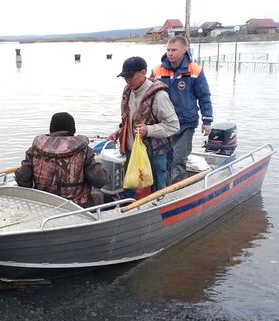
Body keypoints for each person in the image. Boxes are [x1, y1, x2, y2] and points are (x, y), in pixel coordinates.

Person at [107, 56, 179, 192]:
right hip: (131, 152)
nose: (128, 81)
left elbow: (174, 126)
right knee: (130, 189)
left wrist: (149, 130)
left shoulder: (159, 96)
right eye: (125, 77)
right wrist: (118, 131)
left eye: (131, 76)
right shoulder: (127, 91)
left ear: (143, 72)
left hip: (154, 154)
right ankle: (129, 207)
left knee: (158, 191)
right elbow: (127, 118)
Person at [151, 35, 213, 183]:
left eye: (174, 50)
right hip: (164, 123)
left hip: (185, 122)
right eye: (168, 50)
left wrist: (207, 120)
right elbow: (148, 95)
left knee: (179, 157)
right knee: (164, 158)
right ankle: (163, 188)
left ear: (184, 50)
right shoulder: (157, 71)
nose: (170, 53)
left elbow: (204, 96)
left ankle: (176, 189)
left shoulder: (194, 70)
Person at [15, 112, 109, 208]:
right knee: (98, 193)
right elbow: (100, 180)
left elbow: (23, 179)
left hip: (44, 204)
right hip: (78, 206)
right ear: (73, 130)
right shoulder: (84, 151)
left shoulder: (34, 149)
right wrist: (104, 170)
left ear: (51, 129)